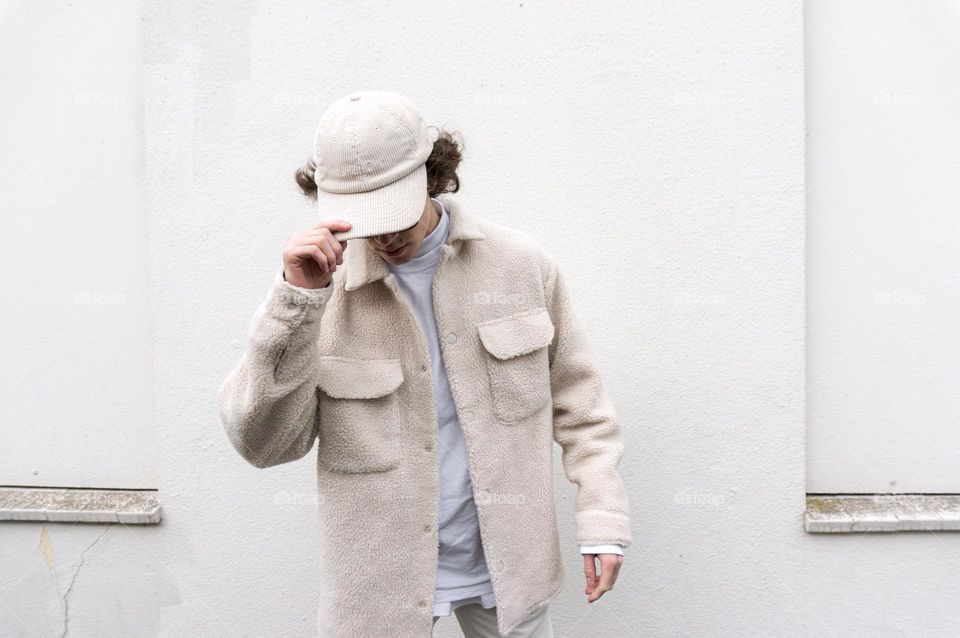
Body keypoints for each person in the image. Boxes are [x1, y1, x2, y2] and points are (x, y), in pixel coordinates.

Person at [217, 90, 632, 637]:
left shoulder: (520, 265)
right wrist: (295, 302)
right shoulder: (320, 291)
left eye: (392, 210)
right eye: (362, 216)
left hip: (509, 571)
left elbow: (583, 408)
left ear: (432, 177)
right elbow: (264, 444)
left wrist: (602, 521)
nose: (383, 234)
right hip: (378, 589)